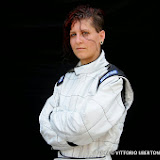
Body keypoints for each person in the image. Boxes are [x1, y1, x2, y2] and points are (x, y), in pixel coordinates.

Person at [39, 5, 134, 160]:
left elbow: (82, 129)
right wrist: (69, 130)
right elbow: (44, 126)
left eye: (85, 33)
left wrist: (54, 117)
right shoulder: (65, 80)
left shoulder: (113, 81)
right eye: (73, 34)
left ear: (101, 36)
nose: (78, 41)